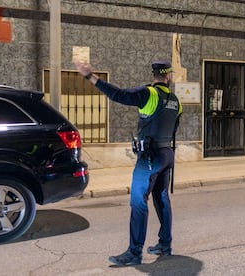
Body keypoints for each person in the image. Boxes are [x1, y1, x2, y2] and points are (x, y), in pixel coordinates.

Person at [75, 60, 182, 266]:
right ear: (168, 76)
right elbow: (174, 128)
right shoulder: (176, 101)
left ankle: (134, 252)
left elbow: (118, 95)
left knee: (138, 202)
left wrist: (90, 76)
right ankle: (165, 244)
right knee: (161, 198)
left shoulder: (149, 94)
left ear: (155, 75)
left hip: (149, 157)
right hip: (167, 153)